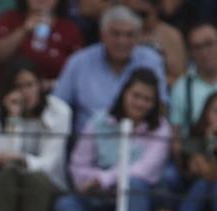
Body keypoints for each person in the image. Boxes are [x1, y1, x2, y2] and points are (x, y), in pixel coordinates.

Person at [54, 68, 171, 211]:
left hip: (142, 199)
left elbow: (146, 170)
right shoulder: (99, 121)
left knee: (134, 185)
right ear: (124, 93)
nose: (140, 103)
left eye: (147, 99)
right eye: (136, 96)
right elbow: (78, 165)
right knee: (65, 204)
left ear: (155, 103)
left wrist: (104, 179)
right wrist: (94, 181)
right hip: (102, 196)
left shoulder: (160, 127)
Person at [54, 6, 166, 134]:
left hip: (140, 144)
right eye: (116, 33)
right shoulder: (79, 62)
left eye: (129, 35)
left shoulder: (151, 60)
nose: (122, 41)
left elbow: (161, 107)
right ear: (102, 34)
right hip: (87, 144)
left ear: (138, 36)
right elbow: (57, 106)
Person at [0, 59, 71, 211]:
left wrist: (21, 159)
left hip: (49, 181)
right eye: (19, 86)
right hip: (12, 178)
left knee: (36, 179)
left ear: (39, 85)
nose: (25, 92)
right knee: (5, 176)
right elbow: (6, 160)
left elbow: (50, 163)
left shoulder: (59, 111)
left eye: (30, 85)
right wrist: (13, 117)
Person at [0, 0, 84, 82]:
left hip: (54, 95)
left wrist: (50, 85)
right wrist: (24, 30)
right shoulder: (10, 18)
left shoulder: (69, 29)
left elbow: (78, 75)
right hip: (9, 94)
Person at [127, 0, 185, 84]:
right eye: (133, 14)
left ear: (156, 9)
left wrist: (151, 83)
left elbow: (179, 78)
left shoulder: (170, 36)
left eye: (143, 14)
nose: (138, 19)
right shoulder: (124, 34)